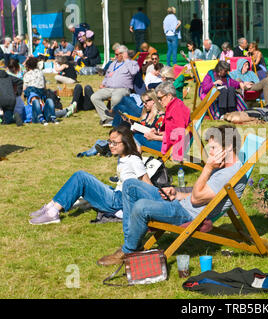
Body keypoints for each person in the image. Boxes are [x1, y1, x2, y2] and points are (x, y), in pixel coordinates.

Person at [96, 124, 247, 265]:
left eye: (213, 148)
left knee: (141, 206)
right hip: (179, 205)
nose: (210, 153)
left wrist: (207, 168)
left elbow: (196, 198)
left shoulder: (228, 175)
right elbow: (199, 197)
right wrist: (178, 194)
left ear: (227, 148)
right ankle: (130, 242)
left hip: (187, 215)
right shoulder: (222, 166)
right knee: (129, 185)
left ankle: (128, 250)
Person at [28, 126, 152, 225]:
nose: (110, 145)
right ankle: (51, 206)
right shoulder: (123, 156)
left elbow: (147, 183)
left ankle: (53, 213)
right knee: (85, 178)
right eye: (109, 142)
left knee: (81, 176)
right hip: (117, 194)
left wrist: (160, 201)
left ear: (126, 143)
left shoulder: (134, 160)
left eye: (115, 143)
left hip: (119, 201)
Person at [91, 45, 139, 126]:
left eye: (117, 54)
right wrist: (103, 83)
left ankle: (113, 119)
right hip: (109, 88)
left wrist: (126, 59)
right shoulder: (113, 64)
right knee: (94, 97)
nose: (115, 56)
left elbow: (134, 72)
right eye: (115, 54)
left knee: (115, 99)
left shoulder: (132, 63)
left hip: (122, 89)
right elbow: (107, 75)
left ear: (123, 54)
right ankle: (107, 118)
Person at [22, 56, 58, 125]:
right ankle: (53, 118)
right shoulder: (41, 73)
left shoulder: (27, 75)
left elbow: (24, 89)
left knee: (34, 100)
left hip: (34, 103)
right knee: (49, 100)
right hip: (41, 97)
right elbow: (44, 87)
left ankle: (41, 118)